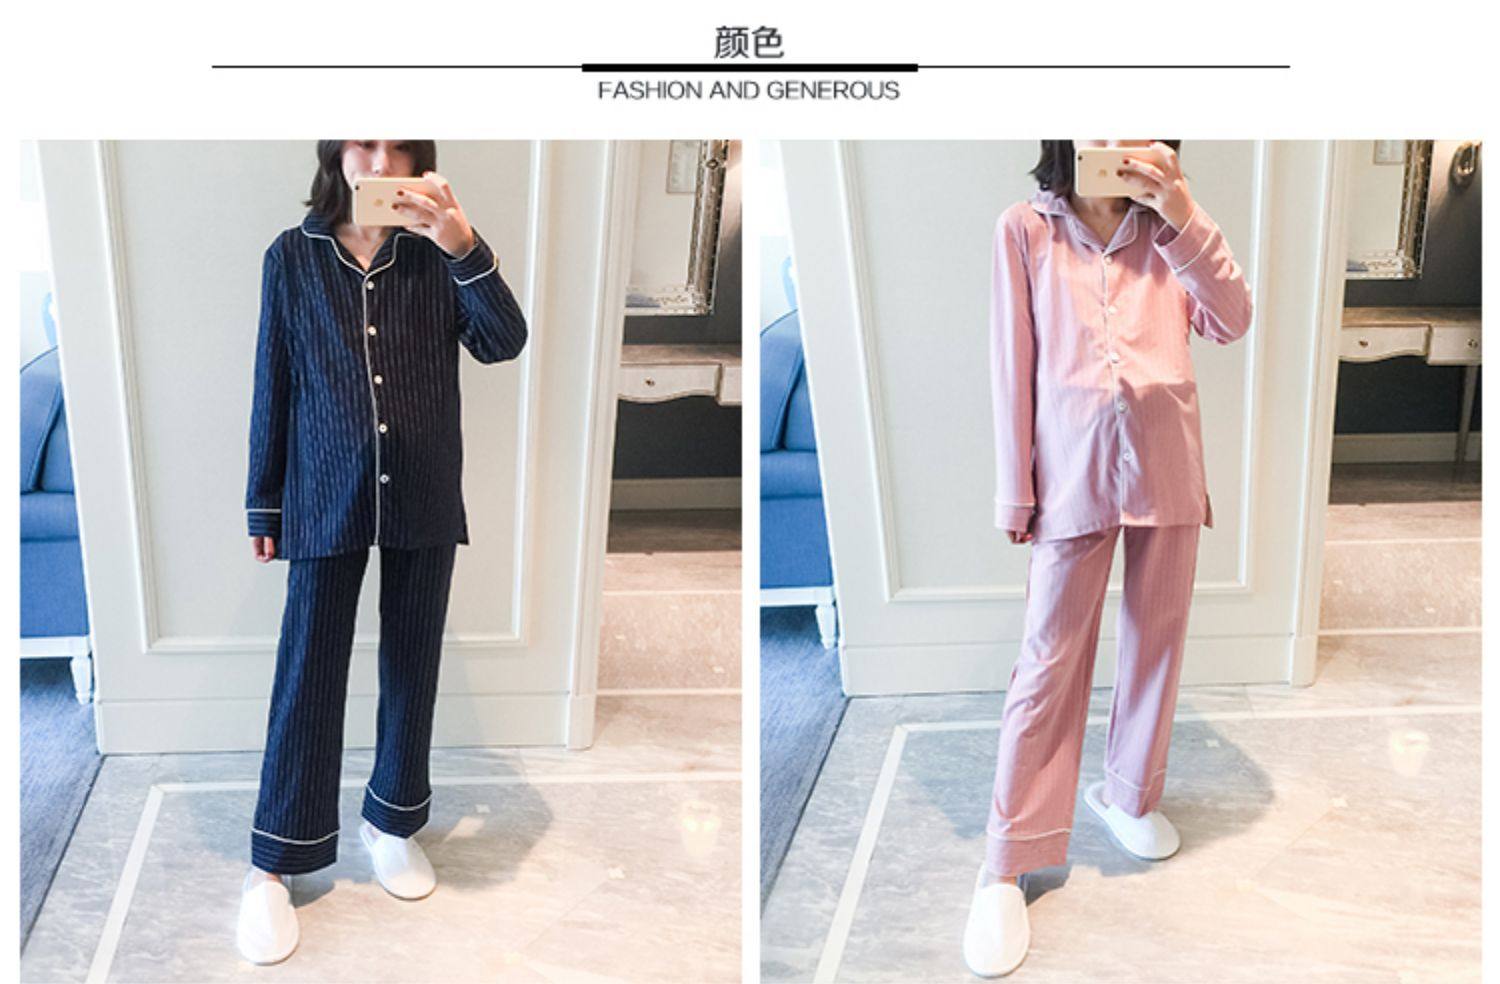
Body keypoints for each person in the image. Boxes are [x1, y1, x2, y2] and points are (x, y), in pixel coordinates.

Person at [963, 140, 1253, 977]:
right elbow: (1012, 367)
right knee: (1047, 663)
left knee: (1157, 642)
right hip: (1071, 475)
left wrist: (1182, 213)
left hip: (1167, 463)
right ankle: (1005, 862)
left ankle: (1128, 793)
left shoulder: (1170, 229)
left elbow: (1231, 319)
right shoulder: (1025, 230)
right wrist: (1015, 492)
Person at [235, 139, 528, 965]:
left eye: (397, 145)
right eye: (363, 141)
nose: (379, 160)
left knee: (412, 659)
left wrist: (463, 246)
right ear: (336, 151)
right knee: (308, 669)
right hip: (323, 491)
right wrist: (265, 500)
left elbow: (504, 340)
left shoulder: (437, 255)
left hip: (423, 487)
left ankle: (392, 821)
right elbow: (272, 382)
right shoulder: (291, 258)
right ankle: (273, 864)